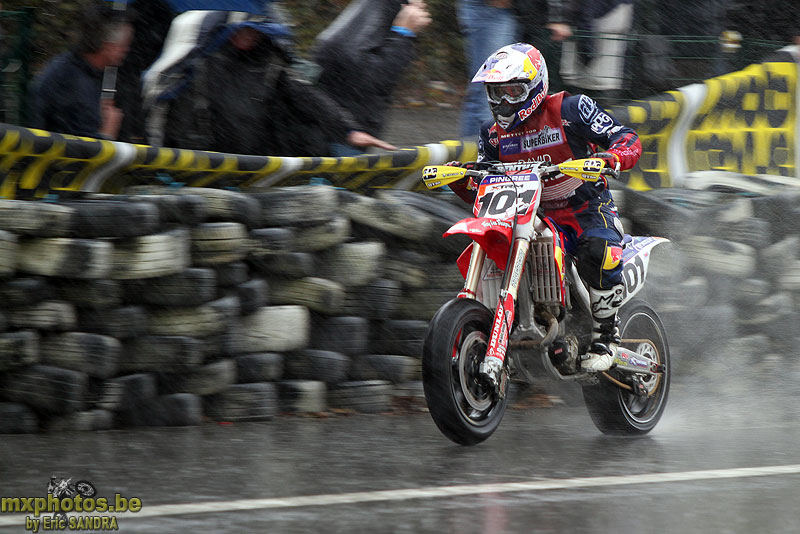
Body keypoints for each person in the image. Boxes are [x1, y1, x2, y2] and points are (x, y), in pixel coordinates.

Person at [448, 43, 641, 373]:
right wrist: (460, 178)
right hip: (532, 215)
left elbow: (624, 136)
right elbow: (485, 189)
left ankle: (606, 335)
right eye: (496, 92)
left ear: (535, 86)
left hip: (585, 208)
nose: (503, 101)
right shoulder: (491, 135)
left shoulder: (572, 109)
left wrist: (612, 157)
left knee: (598, 249)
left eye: (512, 91)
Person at [147, 11, 394, 157]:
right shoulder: (197, 63)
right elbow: (167, 110)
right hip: (199, 156)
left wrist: (348, 130)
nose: (250, 35)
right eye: (245, 28)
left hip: (251, 160)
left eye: (255, 30)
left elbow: (307, 96)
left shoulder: (271, 64)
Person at [312, 0, 431, 157]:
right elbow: (375, 80)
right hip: (343, 136)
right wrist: (404, 33)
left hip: (335, 128)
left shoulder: (368, 11)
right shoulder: (387, 8)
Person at [458, 1, 571, 138]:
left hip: (516, 11)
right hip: (493, 9)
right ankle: (481, 146)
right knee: (489, 93)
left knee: (506, 93)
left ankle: (483, 145)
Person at [30, 3, 133, 140]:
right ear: (107, 44)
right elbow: (78, 146)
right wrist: (107, 132)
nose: (126, 50)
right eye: (124, 44)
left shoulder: (82, 71)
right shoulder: (70, 79)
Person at [558, 0, 634, 103]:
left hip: (597, 71)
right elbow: (585, 16)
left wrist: (587, 53)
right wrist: (588, 52)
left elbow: (585, 16)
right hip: (601, 73)